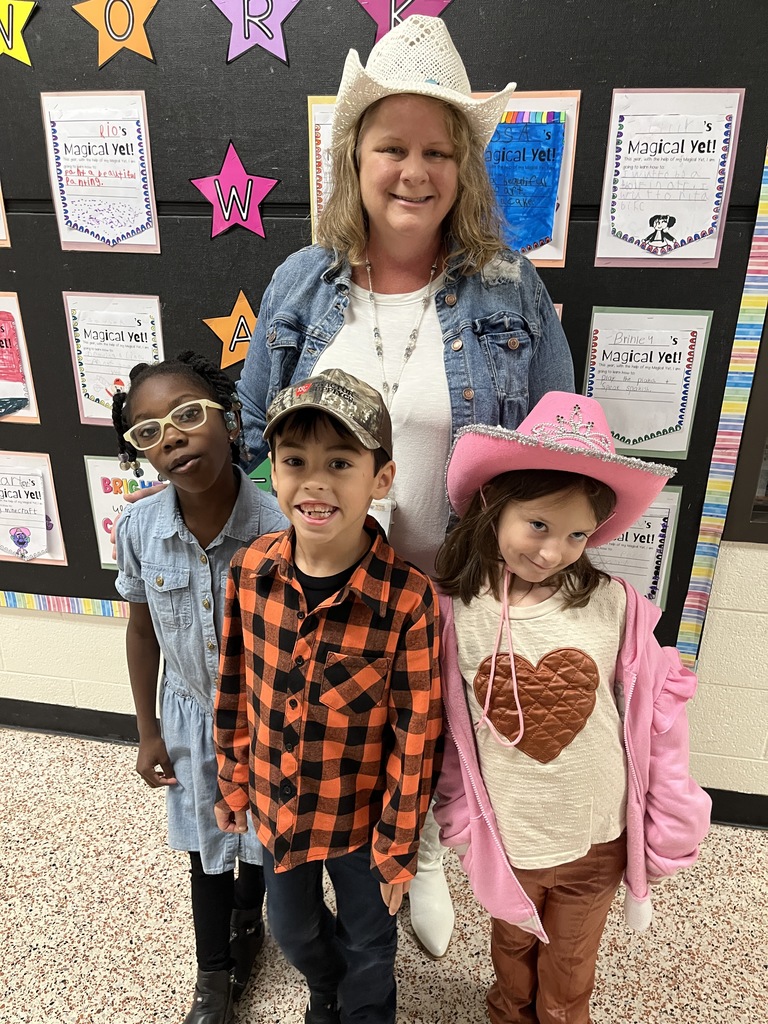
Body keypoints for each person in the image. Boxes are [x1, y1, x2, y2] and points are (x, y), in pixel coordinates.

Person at [235, 13, 574, 956]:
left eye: (437, 151)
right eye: (392, 147)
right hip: (332, 586)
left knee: (432, 734)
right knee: (344, 745)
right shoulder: (300, 285)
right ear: (356, 157)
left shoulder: (510, 289)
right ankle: (368, 862)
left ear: (464, 167)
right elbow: (255, 424)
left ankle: (423, 845)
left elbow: (556, 446)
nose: (414, 172)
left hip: (455, 582)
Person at [432, 392, 711, 1024]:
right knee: (511, 955)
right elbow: (447, 734)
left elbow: (658, 723)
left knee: (569, 975)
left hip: (596, 836)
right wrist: (453, 812)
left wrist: (670, 812)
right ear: (493, 508)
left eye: (577, 534)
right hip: (510, 838)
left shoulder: (617, 605)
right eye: (538, 526)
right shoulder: (455, 612)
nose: (554, 551)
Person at [213, 369, 442, 1024]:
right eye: (295, 462)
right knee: (293, 931)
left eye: (340, 462)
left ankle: (363, 1011)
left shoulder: (407, 599)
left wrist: (399, 849)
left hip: (362, 825)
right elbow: (233, 686)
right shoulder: (251, 570)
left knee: (371, 940)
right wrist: (231, 781)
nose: (314, 482)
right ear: (274, 473)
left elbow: (417, 735)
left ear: (381, 478)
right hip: (277, 806)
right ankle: (325, 987)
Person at [112, 351, 287, 1024]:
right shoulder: (138, 529)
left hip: (269, 725)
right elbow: (140, 632)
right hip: (188, 719)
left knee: (257, 843)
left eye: (187, 415)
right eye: (148, 431)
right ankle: (213, 978)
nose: (173, 436)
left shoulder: (282, 529)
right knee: (205, 849)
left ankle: (252, 922)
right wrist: (147, 730)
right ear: (141, 456)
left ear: (230, 420)